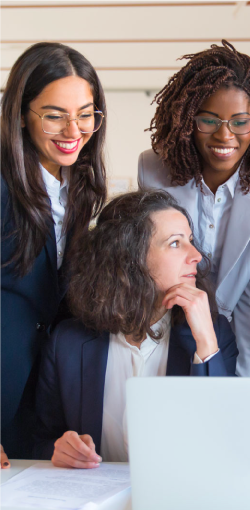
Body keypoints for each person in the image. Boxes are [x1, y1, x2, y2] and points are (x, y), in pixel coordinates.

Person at [138, 41, 250, 377]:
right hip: (175, 330)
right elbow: (151, 268)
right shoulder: (153, 170)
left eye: (240, 122)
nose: (225, 135)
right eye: (209, 120)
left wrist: (224, 375)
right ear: (188, 118)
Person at [33, 190, 238, 467]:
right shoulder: (67, 342)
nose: (196, 255)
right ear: (129, 257)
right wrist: (59, 450)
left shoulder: (214, 336)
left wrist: (206, 342)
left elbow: (224, 446)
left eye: (190, 241)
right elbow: (40, 439)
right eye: (176, 243)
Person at [0, 42, 107, 464]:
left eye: (85, 114)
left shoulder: (77, 192)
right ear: (21, 116)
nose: (73, 130)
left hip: (38, 405)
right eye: (54, 116)